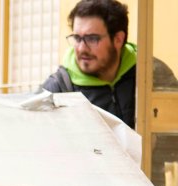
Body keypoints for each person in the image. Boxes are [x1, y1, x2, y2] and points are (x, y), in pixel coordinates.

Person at [40, 0, 178, 129]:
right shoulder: (56, 91)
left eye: (92, 39)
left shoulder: (153, 74)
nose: (81, 48)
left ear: (118, 39)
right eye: (77, 38)